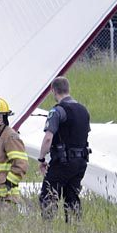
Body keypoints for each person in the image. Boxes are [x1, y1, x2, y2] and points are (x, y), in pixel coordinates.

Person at [38, 76, 91, 223]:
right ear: (68, 89)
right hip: (81, 163)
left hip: (63, 162)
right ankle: (75, 229)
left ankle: (46, 230)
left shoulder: (57, 111)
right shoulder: (83, 110)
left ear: (53, 91)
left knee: (48, 196)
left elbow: (48, 138)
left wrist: (42, 159)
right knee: (72, 197)